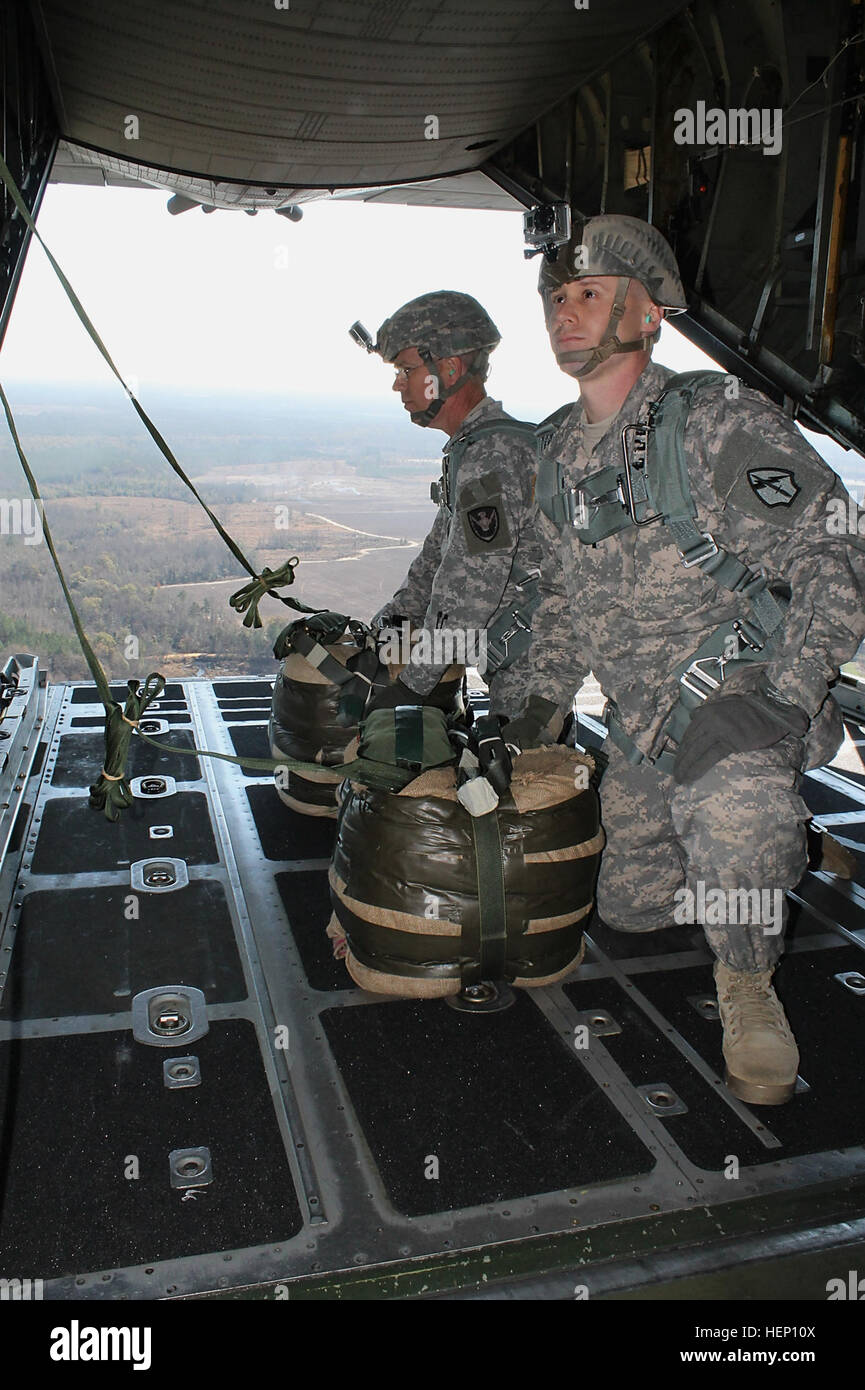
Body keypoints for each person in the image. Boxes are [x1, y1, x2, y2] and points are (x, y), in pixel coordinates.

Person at [515, 212, 865, 1105]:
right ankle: (787, 849)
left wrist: (783, 700)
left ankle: (748, 980)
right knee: (629, 909)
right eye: (557, 297)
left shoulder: (709, 422)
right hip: (644, 720)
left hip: (744, 692)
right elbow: (551, 602)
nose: (565, 313)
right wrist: (529, 718)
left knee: (735, 802)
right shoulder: (552, 454)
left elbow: (834, 549)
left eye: (590, 295)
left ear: (647, 316)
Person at [353, 290, 551, 737]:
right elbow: (436, 560)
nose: (398, 384)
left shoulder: (491, 458)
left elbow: (468, 594)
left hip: (533, 672)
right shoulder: (472, 449)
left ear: (450, 369)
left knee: (525, 785)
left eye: (406, 370)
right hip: (512, 658)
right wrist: (389, 626)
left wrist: (409, 690)